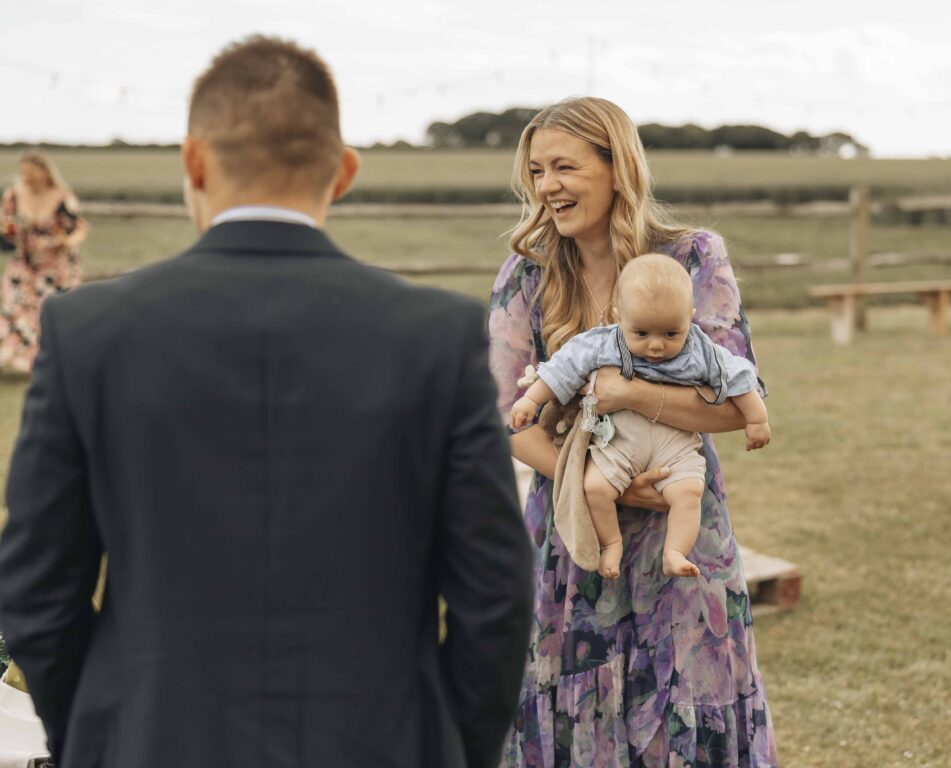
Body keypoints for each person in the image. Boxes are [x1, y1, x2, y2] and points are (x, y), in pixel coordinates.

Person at [0, 35, 533, 768]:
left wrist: (102, 736)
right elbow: (496, 598)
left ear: (193, 160)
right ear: (343, 172)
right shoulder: (435, 337)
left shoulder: (90, 332)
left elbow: (35, 590)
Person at [488, 97, 778, 766]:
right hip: (572, 533)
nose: (546, 187)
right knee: (574, 702)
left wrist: (630, 394)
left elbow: (738, 401)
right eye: (536, 171)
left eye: (564, 166)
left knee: (687, 708)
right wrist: (593, 481)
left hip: (682, 533)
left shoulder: (696, 258)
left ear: (616, 167)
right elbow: (500, 411)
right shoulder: (527, 275)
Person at [510, 253, 770, 580]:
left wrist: (757, 419)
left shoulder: (700, 349)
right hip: (620, 439)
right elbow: (564, 367)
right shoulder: (602, 343)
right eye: (642, 333)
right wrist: (531, 400)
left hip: (675, 442)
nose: (656, 346)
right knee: (595, 487)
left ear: (690, 319)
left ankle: (675, 552)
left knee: (688, 492)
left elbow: (738, 377)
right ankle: (612, 542)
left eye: (671, 334)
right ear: (619, 317)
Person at [0, 152, 88, 373]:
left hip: (56, 266)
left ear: (44, 172)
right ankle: (22, 359)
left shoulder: (62, 197)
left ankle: (48, 362)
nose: (26, 177)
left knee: (49, 313)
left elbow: (79, 228)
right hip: (25, 262)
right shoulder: (14, 195)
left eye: (31, 172)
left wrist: (66, 241)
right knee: (13, 306)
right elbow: (5, 227)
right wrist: (9, 231)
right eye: (24, 172)